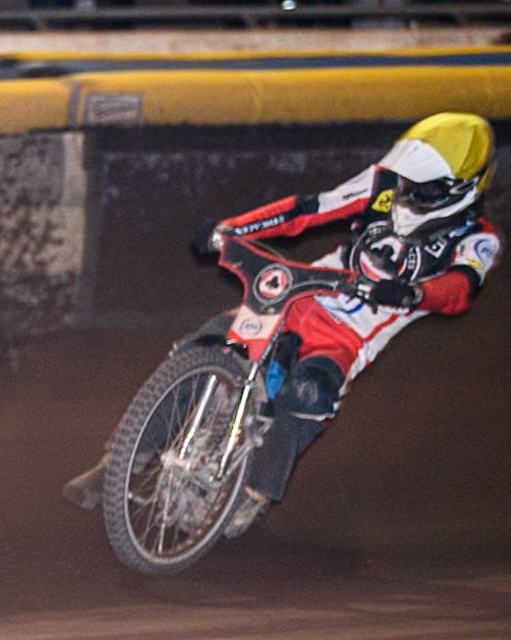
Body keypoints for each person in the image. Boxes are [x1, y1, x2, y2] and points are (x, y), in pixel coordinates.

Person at [64, 112, 499, 534]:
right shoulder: (383, 182)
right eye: (406, 182)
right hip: (302, 294)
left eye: (423, 189)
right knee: (208, 344)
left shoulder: (480, 238)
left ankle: (255, 493)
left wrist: (415, 292)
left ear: (463, 189)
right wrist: (232, 229)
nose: (408, 194)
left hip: (348, 337)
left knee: (310, 392)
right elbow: (309, 210)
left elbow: (461, 289)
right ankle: (117, 463)